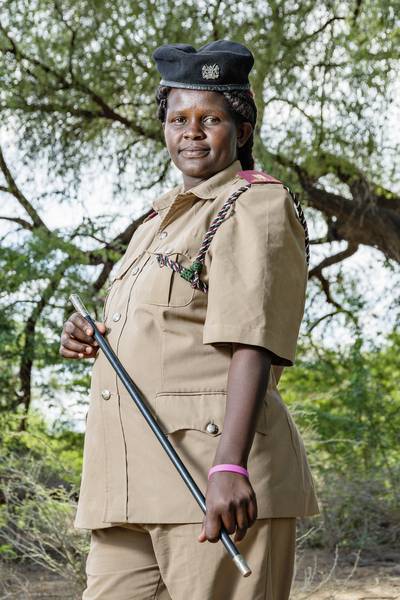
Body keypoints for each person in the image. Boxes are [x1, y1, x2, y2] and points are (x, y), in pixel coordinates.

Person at [60, 40, 319, 600]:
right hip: (129, 484)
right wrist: (90, 337)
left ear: (242, 131)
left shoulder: (254, 206)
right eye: (178, 118)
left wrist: (230, 468)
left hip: (210, 478)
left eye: (211, 119)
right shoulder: (155, 222)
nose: (192, 132)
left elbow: (254, 341)